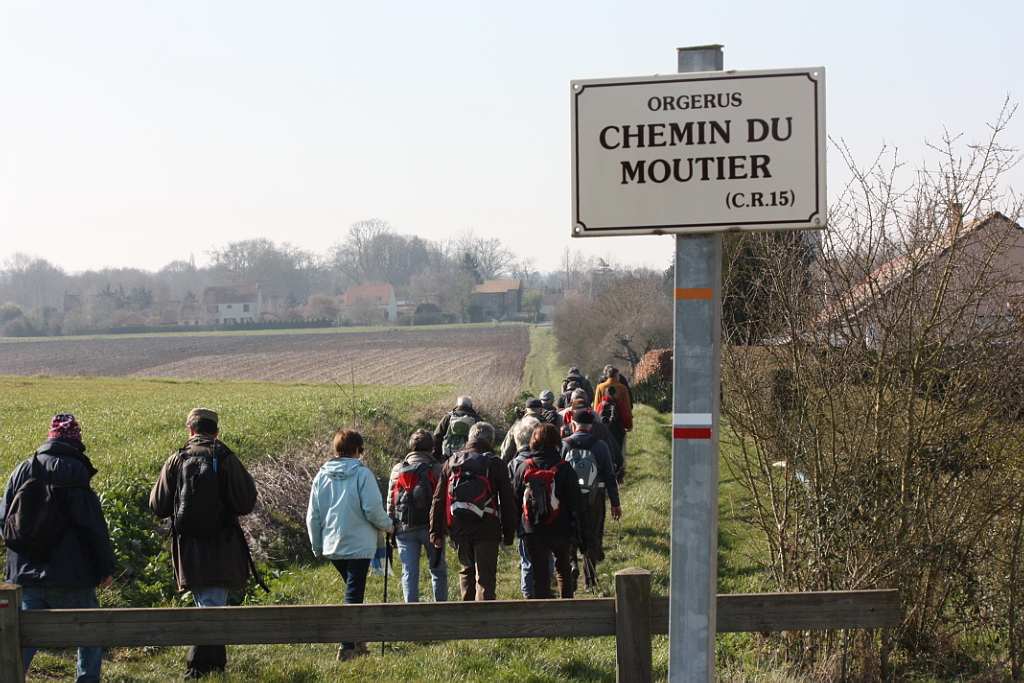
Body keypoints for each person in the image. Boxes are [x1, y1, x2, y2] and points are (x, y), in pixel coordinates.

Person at [0, 414, 114, 683]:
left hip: (24, 573)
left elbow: (5, 519)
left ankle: (10, 676)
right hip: (72, 574)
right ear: (77, 439)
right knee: (89, 631)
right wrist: (105, 567)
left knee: (24, 634)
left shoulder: (24, 468)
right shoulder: (76, 470)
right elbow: (92, 526)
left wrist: (25, 551)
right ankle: (87, 680)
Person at [149, 408, 258, 679]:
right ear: (216, 431)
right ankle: (197, 669)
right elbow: (245, 502)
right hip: (222, 546)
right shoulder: (225, 457)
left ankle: (211, 667)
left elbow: (158, 505)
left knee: (208, 604)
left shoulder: (177, 459)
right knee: (211, 606)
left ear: (191, 430)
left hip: (188, 548)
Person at [307, 428, 394, 661]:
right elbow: (372, 509)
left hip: (333, 544)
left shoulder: (321, 475)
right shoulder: (362, 474)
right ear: (357, 450)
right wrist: (388, 526)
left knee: (353, 591)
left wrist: (317, 545)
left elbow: (313, 515)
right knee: (354, 595)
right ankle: (346, 646)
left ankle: (357, 641)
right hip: (359, 544)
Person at [429, 422, 515, 601]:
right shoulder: (495, 463)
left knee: (466, 572)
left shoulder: (452, 461)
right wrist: (508, 533)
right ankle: (484, 616)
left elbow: (438, 499)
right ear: (491, 441)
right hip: (487, 528)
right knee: (485, 578)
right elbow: (507, 501)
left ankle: (466, 615)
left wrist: (435, 532)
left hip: (459, 527)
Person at [513, 423, 584, 599]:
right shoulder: (565, 468)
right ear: (556, 441)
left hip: (533, 527)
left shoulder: (524, 467)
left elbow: (515, 499)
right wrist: (579, 528)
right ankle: (566, 606)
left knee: (540, 573)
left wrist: (517, 528)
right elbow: (575, 500)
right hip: (560, 527)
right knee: (563, 570)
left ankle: (542, 610)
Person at [561, 408, 622, 586]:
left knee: (569, 534)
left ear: (573, 425)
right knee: (592, 535)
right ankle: (590, 577)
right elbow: (610, 476)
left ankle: (572, 564)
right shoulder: (600, 445)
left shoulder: (564, 445)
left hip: (568, 497)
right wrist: (615, 503)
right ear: (592, 426)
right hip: (594, 497)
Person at [387, 429, 447, 603]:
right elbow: (443, 499)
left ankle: (411, 610)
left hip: (404, 527)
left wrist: (391, 524)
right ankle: (440, 609)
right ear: (431, 448)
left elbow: (391, 500)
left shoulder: (398, 469)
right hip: (431, 528)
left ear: (411, 447)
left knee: (409, 572)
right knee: (438, 570)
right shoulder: (437, 468)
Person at [503, 416, 543, 598]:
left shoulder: (514, 464)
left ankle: (527, 593)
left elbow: (509, 495)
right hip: (545, 514)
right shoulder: (541, 460)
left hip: (523, 518)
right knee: (544, 555)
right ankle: (544, 587)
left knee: (526, 558)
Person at [596, 384, 632, 480]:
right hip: (618, 433)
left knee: (606, 453)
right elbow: (626, 419)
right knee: (618, 453)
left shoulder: (600, 406)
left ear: (605, 394)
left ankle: (607, 474)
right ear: (615, 394)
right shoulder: (620, 404)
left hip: (604, 434)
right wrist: (628, 427)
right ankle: (618, 474)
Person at [433, 396, 481, 461]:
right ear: (471, 406)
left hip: (448, 457)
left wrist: (436, 457)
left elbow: (437, 436)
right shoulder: (477, 420)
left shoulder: (448, 417)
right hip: (469, 459)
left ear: (457, 405)